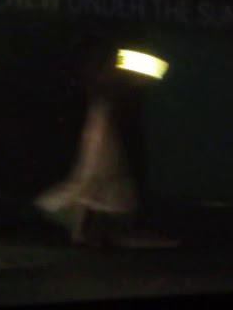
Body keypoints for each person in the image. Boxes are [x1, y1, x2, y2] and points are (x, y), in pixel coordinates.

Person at [35, 36, 177, 248]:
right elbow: (112, 90)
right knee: (98, 174)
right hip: (101, 126)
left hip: (103, 125)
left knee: (100, 176)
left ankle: (91, 231)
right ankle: (92, 231)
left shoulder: (106, 78)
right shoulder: (103, 80)